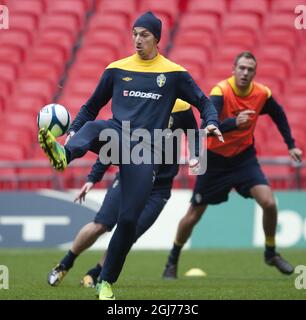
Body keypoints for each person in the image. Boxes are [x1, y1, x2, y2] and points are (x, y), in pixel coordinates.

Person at [38, 11, 223, 300]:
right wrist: (73, 130)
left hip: (143, 152)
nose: (138, 39)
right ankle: (63, 154)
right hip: (115, 134)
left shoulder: (173, 73)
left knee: (127, 222)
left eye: (144, 34)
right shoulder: (116, 68)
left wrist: (210, 122)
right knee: (93, 127)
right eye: (135, 33)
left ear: (157, 38)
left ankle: (105, 282)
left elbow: (203, 102)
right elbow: (91, 106)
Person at [163, 51, 303, 279]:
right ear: (233, 70)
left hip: (243, 159)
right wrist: (234, 123)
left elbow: (278, 114)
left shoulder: (261, 94)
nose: (245, 73)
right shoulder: (221, 92)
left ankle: (270, 252)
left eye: (250, 69)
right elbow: (209, 126)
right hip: (215, 161)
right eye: (242, 68)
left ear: (254, 73)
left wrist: (290, 144)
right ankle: (172, 260)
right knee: (193, 215)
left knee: (269, 202)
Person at [47, 100, 201, 289]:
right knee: (101, 225)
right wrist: (93, 178)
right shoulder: (142, 104)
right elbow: (113, 142)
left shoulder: (182, 108)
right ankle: (65, 264)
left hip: (159, 188)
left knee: (129, 234)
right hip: (131, 177)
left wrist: (197, 163)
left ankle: (95, 274)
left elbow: (194, 134)